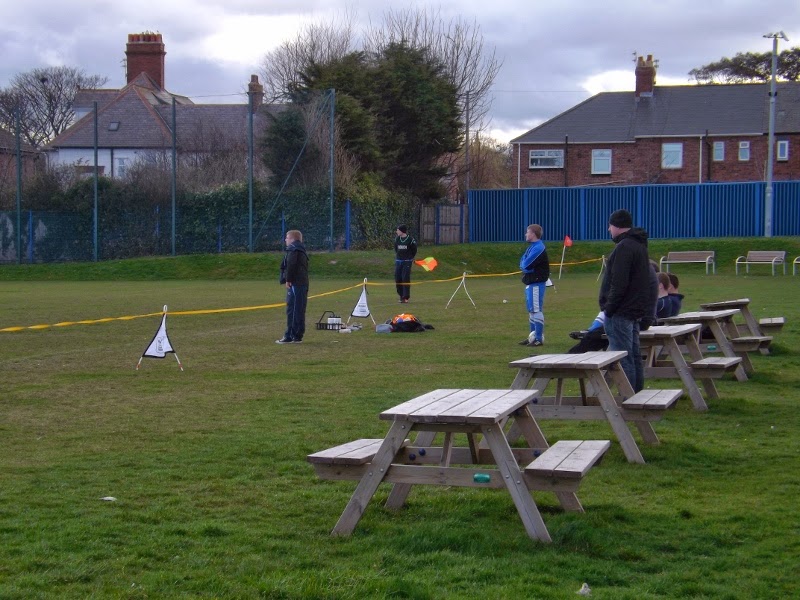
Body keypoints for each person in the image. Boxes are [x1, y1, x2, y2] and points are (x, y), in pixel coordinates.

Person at [598, 209, 652, 392]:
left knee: (623, 358)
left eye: (610, 225)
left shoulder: (624, 248)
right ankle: (637, 394)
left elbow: (619, 282)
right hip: (634, 310)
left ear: (617, 226)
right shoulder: (639, 246)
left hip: (621, 311)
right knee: (634, 356)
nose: (608, 229)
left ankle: (629, 398)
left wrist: (609, 308)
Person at [518, 224, 550, 347]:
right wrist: (525, 266)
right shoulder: (532, 247)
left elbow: (526, 265)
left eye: (527, 232)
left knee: (536, 309)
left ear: (533, 234)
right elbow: (523, 262)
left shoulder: (538, 248)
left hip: (536, 282)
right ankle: (532, 336)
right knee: (531, 310)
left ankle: (538, 338)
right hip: (530, 282)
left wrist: (525, 267)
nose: (526, 234)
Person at [276, 230, 309, 344]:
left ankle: (291, 335)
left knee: (294, 309)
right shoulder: (301, 249)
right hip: (301, 283)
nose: (285, 240)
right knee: (298, 308)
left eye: (287, 238)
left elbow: (291, 265)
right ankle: (296, 335)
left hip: (297, 283)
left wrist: (288, 279)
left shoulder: (294, 249)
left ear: (292, 239)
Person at [394, 225, 417, 303]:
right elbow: (396, 249)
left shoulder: (410, 239)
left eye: (398, 230)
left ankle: (405, 297)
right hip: (399, 261)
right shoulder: (397, 239)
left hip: (407, 261)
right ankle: (401, 295)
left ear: (402, 231)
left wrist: (410, 258)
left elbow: (414, 249)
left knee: (405, 278)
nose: (396, 232)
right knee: (398, 278)